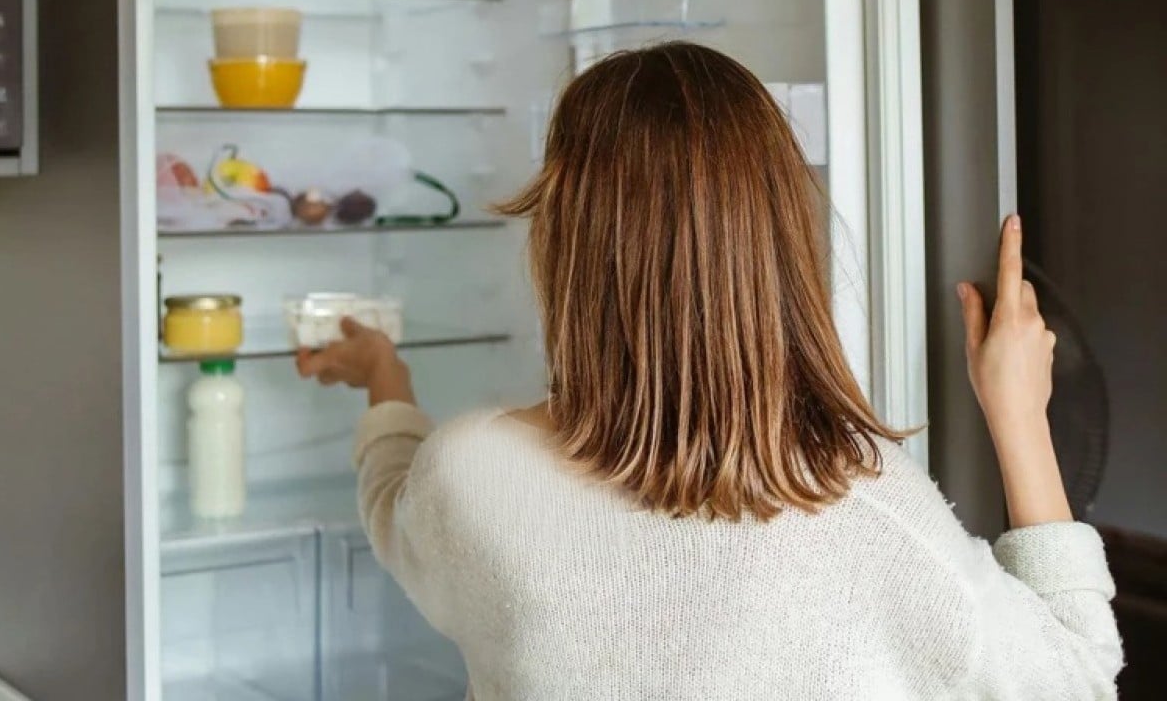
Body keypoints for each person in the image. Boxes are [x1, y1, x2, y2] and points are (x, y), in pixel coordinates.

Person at [296, 42, 1122, 700]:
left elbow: (394, 505)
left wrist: (384, 379)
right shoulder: (872, 513)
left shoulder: (470, 472)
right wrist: (1020, 417)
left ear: (566, 245)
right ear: (780, 243)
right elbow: (1077, 680)